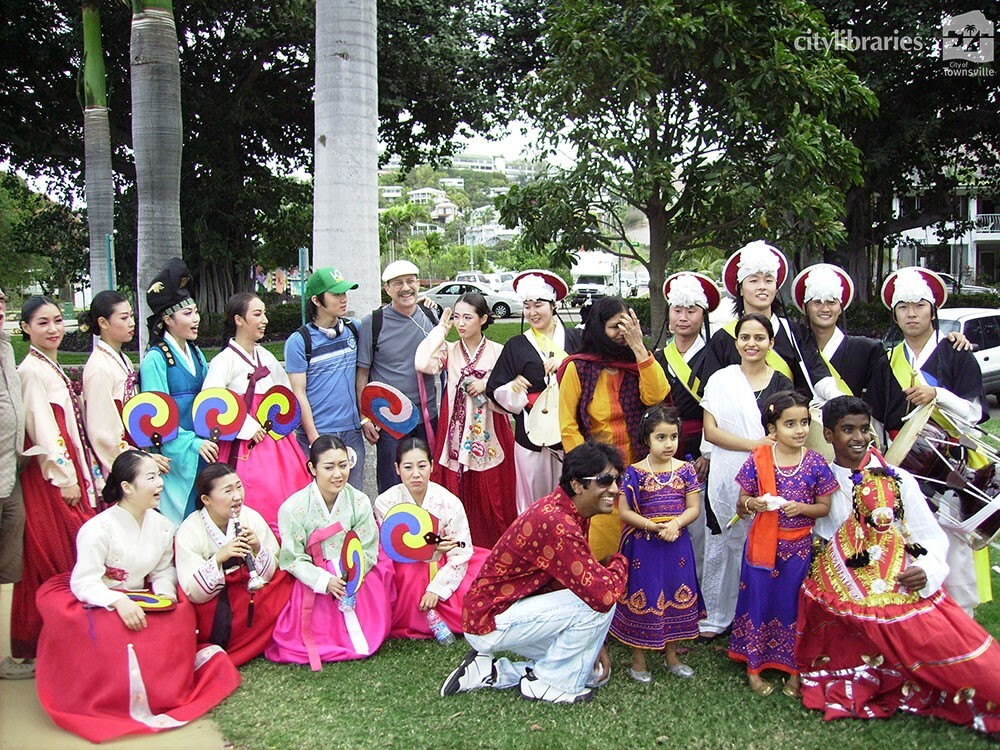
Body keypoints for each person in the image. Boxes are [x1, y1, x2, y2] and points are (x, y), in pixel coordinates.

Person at [797, 395, 1000, 736]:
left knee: (956, 652)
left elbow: (931, 538)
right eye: (848, 430)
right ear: (829, 435)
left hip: (901, 584)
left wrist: (928, 571)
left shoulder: (898, 479)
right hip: (837, 591)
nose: (859, 438)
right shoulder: (816, 481)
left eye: (865, 429)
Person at [34, 450, 241, 743]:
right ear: (127, 487)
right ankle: (110, 696)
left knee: (177, 615)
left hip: (141, 597)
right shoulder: (97, 530)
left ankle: (164, 689)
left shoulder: (162, 525)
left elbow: (161, 571)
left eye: (159, 477)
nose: (160, 484)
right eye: (151, 477)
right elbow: (84, 580)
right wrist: (117, 601)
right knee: (112, 629)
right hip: (98, 598)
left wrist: (165, 595)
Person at [440, 441, 628, 705]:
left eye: (617, 480)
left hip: (503, 613)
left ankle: (492, 672)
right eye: (605, 480)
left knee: (594, 674)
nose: (615, 489)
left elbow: (572, 584)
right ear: (576, 484)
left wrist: (596, 644)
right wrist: (620, 560)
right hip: (491, 620)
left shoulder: (568, 512)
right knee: (599, 602)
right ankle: (550, 683)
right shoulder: (558, 523)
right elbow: (602, 595)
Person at [881, 266, 988, 614]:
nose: (912, 314)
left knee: (953, 542)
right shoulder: (888, 359)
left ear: (932, 310)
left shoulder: (957, 352)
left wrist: (936, 394)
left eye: (919, 306)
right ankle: (920, 616)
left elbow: (973, 412)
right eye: (903, 308)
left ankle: (962, 617)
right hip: (905, 465)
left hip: (949, 460)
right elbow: (881, 417)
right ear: (895, 314)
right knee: (908, 538)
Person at [10, 296, 100, 668]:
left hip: (67, 468)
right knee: (55, 551)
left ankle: (62, 641)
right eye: (43, 323)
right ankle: (47, 642)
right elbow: (43, 428)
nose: (53, 330)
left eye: (58, 321)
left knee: (64, 549)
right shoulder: (31, 370)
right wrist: (64, 476)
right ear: (26, 329)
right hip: (51, 477)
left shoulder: (49, 366)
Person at [728, 390, 836, 696]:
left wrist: (801, 509)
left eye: (804, 422)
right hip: (762, 549)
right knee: (759, 603)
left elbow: (823, 507)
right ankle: (754, 667)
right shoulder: (758, 459)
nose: (800, 430)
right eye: (790, 424)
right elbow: (741, 503)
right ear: (772, 429)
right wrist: (753, 505)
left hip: (798, 551)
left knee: (793, 606)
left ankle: (794, 669)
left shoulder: (815, 462)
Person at [697, 313, 793, 641]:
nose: (752, 344)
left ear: (771, 343)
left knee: (761, 541)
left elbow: (789, 429)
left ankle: (752, 615)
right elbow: (711, 432)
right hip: (725, 473)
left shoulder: (781, 383)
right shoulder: (721, 380)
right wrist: (754, 444)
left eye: (759, 338)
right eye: (745, 337)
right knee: (722, 541)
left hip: (768, 473)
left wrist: (764, 449)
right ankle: (717, 615)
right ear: (736, 341)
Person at [265, 435, 393, 669]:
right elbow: (293, 557)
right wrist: (324, 580)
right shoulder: (293, 508)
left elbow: (368, 546)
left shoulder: (359, 501)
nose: (338, 474)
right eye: (329, 467)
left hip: (353, 571)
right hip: (315, 573)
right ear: (312, 468)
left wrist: (352, 575)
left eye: (343, 466)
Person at [558, 295, 668, 559]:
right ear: (598, 328)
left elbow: (657, 396)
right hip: (599, 475)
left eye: (626, 325)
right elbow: (567, 426)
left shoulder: (637, 363)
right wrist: (588, 469)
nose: (622, 333)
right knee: (602, 549)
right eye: (614, 327)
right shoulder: (579, 367)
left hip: (640, 471)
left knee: (643, 550)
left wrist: (639, 347)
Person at [202, 292, 311, 535]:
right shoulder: (224, 361)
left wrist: (283, 423)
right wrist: (247, 427)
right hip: (243, 444)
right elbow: (212, 403)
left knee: (292, 484)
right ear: (239, 320)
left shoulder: (266, 356)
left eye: (264, 314)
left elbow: (284, 393)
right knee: (259, 493)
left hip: (275, 439)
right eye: (257, 314)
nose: (265, 320)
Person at [609, 406, 704, 683]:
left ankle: (671, 656)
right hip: (645, 547)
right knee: (645, 595)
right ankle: (638, 661)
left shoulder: (686, 470)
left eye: (673, 437)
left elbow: (693, 507)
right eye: (660, 437)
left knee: (676, 593)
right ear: (646, 439)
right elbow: (625, 512)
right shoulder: (634, 472)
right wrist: (654, 527)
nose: (668, 444)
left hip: (677, 544)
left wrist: (675, 525)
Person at [414, 292, 517, 547]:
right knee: (454, 489)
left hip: (491, 428)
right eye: (457, 317)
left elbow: (513, 390)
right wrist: (441, 329)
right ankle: (457, 543)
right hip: (456, 428)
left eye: (467, 317)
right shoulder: (448, 350)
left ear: (483, 319)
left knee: (492, 492)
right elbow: (422, 363)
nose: (460, 323)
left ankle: (494, 546)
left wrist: (487, 384)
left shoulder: (498, 351)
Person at [175, 463, 294, 666]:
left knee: (285, 585)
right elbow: (191, 590)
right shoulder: (190, 529)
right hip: (216, 602)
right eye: (228, 491)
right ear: (206, 499)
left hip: (250, 590)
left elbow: (273, 566)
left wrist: (257, 547)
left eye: (239, 487)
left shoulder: (250, 517)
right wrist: (219, 558)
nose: (237, 496)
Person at [487, 270, 582, 514]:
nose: (532, 312)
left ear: (554, 305)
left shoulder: (576, 340)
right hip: (531, 433)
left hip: (572, 430)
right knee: (532, 500)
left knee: (573, 496)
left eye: (538, 305)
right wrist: (513, 388)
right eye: (527, 306)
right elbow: (495, 387)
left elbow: (592, 373)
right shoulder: (516, 345)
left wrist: (566, 365)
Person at [373, 438, 489, 638]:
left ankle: (436, 607)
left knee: (481, 581)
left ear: (432, 466)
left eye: (422, 466)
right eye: (408, 467)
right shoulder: (385, 502)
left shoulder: (448, 502)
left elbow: (461, 551)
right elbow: (392, 548)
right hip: (404, 565)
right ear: (397, 468)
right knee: (411, 575)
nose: (416, 474)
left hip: (446, 563)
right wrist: (431, 551)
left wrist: (437, 589)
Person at [701, 240, 840, 402]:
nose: (762, 287)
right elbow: (711, 391)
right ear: (740, 288)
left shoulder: (795, 333)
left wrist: (836, 396)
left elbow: (817, 372)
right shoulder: (723, 338)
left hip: (790, 421)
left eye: (768, 280)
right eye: (753, 280)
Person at [654, 272, 720, 590]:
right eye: (677, 310)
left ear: (702, 314)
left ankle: (695, 585)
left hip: (697, 444)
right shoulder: (657, 357)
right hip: (660, 447)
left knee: (697, 520)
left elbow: (718, 408)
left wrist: (708, 451)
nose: (683, 317)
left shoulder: (716, 358)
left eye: (691, 310)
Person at [139, 259, 217, 526]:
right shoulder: (155, 359)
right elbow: (157, 420)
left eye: (195, 312)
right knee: (182, 521)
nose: (195, 319)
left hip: (204, 447)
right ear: (168, 319)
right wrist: (193, 443)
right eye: (187, 314)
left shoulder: (195, 353)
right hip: (180, 452)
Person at [357, 260, 440, 494]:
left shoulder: (430, 316)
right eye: (398, 283)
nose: (406, 288)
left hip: (427, 416)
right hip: (390, 420)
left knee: (426, 480)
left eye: (411, 281)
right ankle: (391, 527)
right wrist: (365, 417)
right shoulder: (373, 323)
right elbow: (362, 373)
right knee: (392, 483)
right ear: (387, 289)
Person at [284, 266, 366, 487]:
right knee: (318, 500)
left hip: (351, 432)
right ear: (317, 301)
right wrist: (314, 439)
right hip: (318, 432)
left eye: (344, 293)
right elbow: (298, 392)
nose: (343, 299)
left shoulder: (354, 330)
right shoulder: (299, 342)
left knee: (352, 499)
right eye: (336, 294)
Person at [82, 290, 171, 481]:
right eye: (124, 318)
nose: (131, 323)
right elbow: (103, 432)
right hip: (122, 464)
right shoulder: (99, 368)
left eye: (131, 316)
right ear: (103, 323)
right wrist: (140, 459)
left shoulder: (121, 360)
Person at [0, 286, 28, 680]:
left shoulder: (5, 347)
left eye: (3, 301)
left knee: (8, 567)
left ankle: (5, 658)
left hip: (10, 473)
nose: (0, 308)